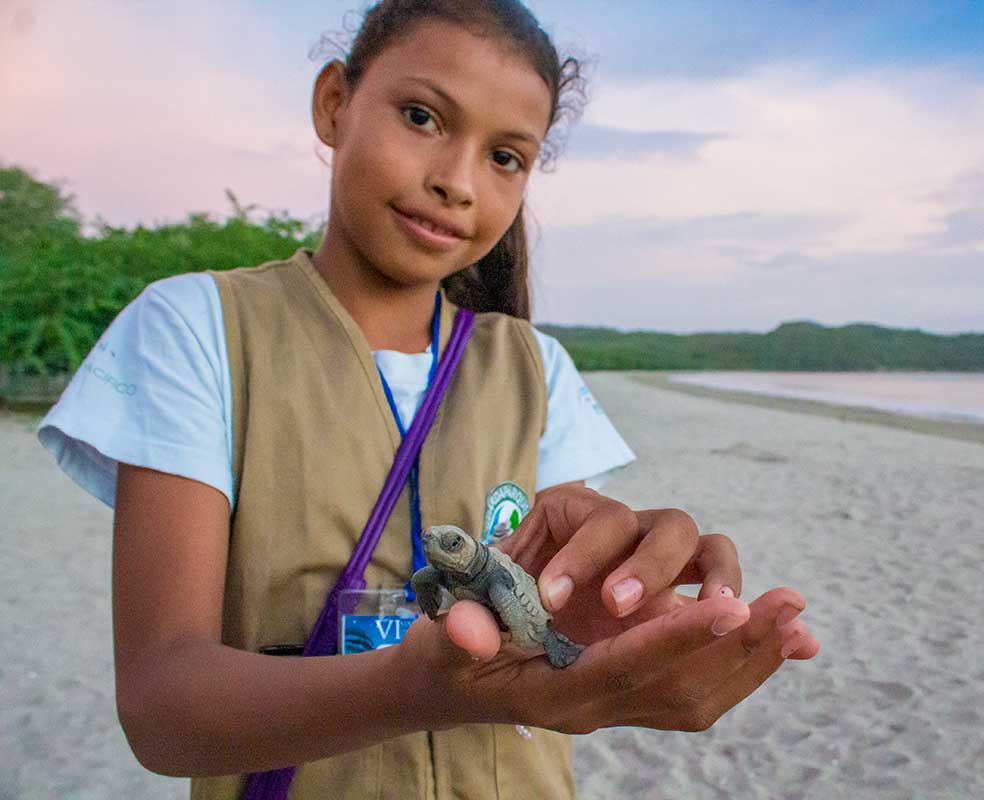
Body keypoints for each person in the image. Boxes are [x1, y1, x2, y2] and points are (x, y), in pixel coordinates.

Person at [37, 1, 819, 797]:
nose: (456, 180)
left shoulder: (533, 367)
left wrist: (629, 613)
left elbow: (561, 617)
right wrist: (416, 687)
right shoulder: (198, 328)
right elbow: (161, 708)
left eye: (507, 158)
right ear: (335, 102)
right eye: (421, 116)